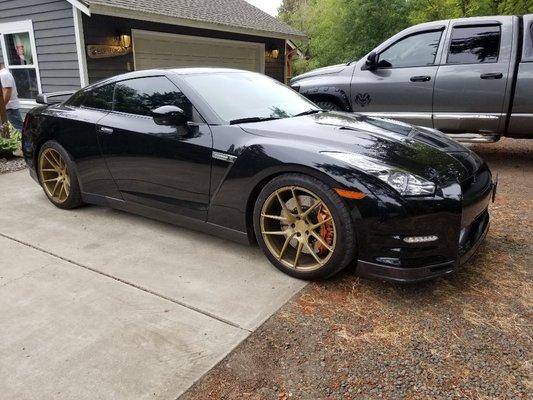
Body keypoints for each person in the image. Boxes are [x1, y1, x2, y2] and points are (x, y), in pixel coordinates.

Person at [0, 63, 23, 131]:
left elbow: (7, 91)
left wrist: (2, 107)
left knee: (18, 129)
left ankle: (26, 142)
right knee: (7, 129)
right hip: (7, 107)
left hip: (9, 107)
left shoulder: (4, 74)